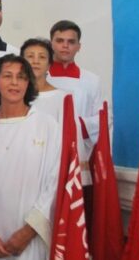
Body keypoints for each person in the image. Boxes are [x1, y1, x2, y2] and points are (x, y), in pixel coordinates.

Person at [0, 55, 60, 260]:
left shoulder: (47, 126)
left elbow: (55, 182)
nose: (14, 82)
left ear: (28, 83)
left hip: (31, 243)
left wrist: (28, 232)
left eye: (21, 77)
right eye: (7, 76)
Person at [46, 20, 109, 190]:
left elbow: (103, 117)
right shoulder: (41, 78)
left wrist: (77, 125)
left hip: (79, 152)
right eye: (60, 41)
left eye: (71, 42)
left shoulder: (91, 80)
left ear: (79, 46)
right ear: (51, 43)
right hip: (45, 152)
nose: (65, 46)